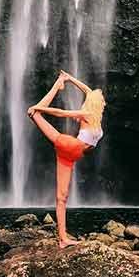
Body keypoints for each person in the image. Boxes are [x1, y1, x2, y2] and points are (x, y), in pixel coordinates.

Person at [27, 69, 106, 248]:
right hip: (69, 146)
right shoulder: (87, 114)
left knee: (62, 197)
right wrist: (40, 107)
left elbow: (88, 91)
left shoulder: (94, 114)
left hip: (70, 154)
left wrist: (69, 79)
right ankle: (48, 95)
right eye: (101, 100)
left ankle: (63, 239)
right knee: (35, 113)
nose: (103, 102)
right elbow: (61, 113)